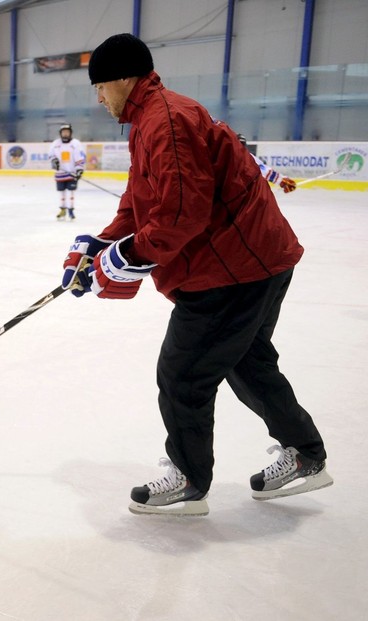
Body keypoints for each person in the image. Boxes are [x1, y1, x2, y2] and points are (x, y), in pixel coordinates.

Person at [62, 33, 331, 516]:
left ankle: (188, 478)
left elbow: (180, 215)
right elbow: (142, 202)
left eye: (101, 85)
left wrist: (122, 260)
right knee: (245, 361)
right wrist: (101, 245)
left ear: (125, 78)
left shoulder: (164, 121)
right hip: (255, 260)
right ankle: (306, 453)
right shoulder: (152, 117)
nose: (98, 97)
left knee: (184, 373)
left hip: (232, 268)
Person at [49, 123, 86, 220]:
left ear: (70, 133)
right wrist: (54, 161)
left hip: (72, 173)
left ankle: (71, 210)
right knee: (62, 193)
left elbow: (80, 158)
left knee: (71, 192)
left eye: (67, 132)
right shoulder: (56, 144)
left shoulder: (75, 143)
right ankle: (63, 209)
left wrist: (79, 170)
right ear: (60, 133)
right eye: (63, 132)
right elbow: (51, 155)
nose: (65, 134)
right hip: (60, 174)